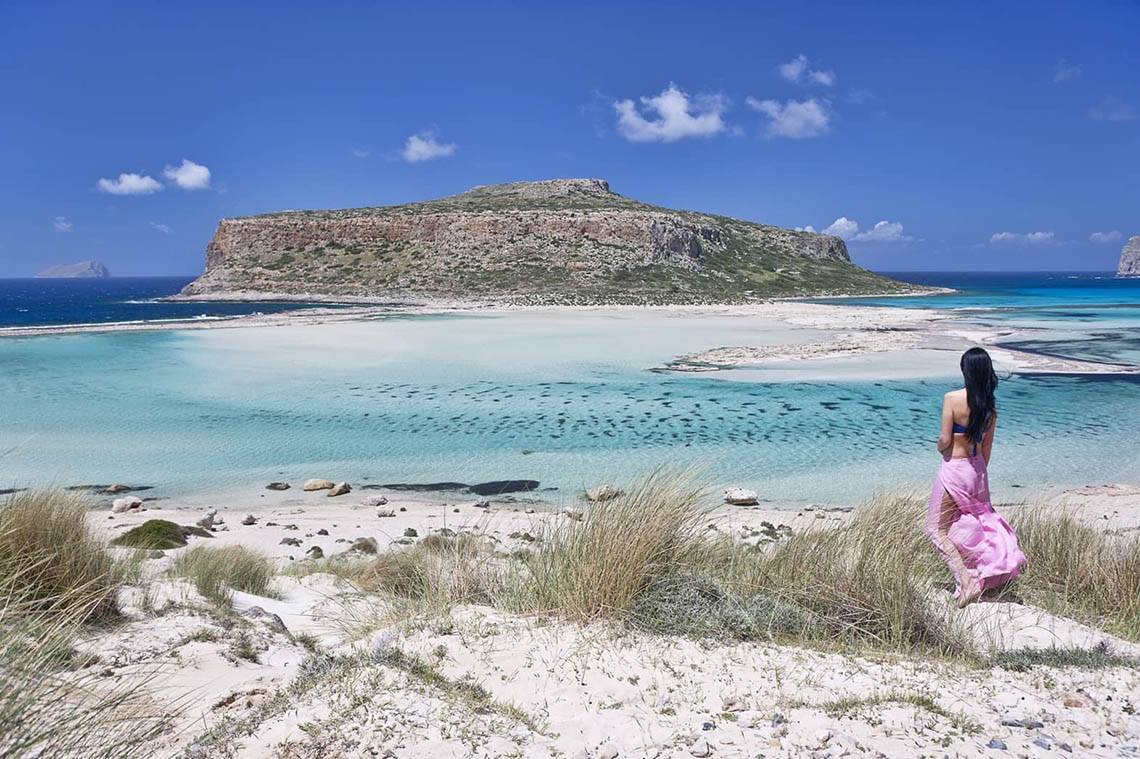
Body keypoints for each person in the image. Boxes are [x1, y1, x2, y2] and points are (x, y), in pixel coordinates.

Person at [926, 347, 1026, 608]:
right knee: (980, 523)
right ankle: (980, 574)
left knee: (936, 529)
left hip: (955, 468)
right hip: (977, 470)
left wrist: (939, 446)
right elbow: (986, 449)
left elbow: (945, 441)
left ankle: (965, 581)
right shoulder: (990, 409)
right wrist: (978, 473)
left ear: (966, 371)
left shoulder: (952, 399)